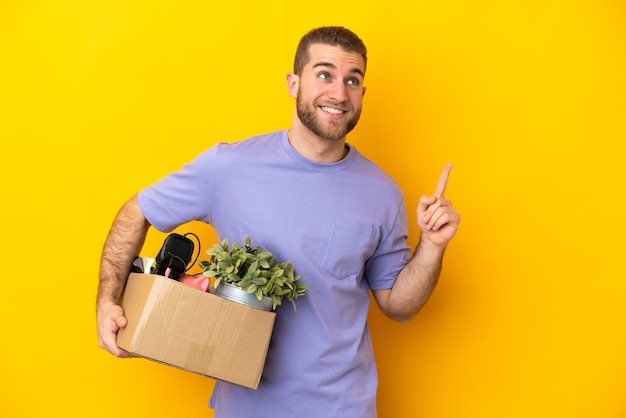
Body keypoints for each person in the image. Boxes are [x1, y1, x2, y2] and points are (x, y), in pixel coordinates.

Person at [97, 26, 460, 417]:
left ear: (362, 94)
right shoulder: (228, 167)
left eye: (352, 80)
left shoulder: (382, 193)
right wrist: (107, 302)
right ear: (293, 82)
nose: (339, 93)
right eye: (324, 74)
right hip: (245, 406)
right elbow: (137, 212)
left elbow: (398, 306)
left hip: (342, 407)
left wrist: (432, 246)